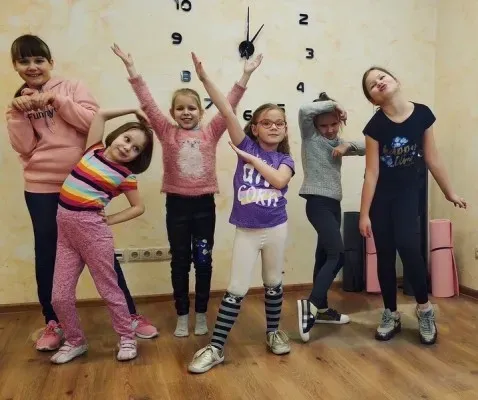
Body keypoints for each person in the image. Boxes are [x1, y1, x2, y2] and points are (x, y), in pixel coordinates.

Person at [5, 34, 157, 352]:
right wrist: (17, 113)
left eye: (39, 60)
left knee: (101, 254)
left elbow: (91, 122)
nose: (32, 66)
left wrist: (56, 101)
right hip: (42, 188)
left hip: (86, 184)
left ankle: (129, 315)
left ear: (50, 62)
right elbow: (24, 146)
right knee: (48, 254)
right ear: (15, 66)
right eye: (24, 61)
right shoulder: (17, 103)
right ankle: (55, 322)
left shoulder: (73, 88)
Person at [112, 43, 261, 337]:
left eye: (191, 108)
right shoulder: (166, 131)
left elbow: (227, 104)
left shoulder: (211, 131)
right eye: (180, 108)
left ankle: (201, 313)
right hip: (177, 207)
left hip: (204, 207)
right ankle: (182, 314)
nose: (186, 112)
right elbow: (147, 102)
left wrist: (245, 75)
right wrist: (131, 69)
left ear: (201, 112)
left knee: (203, 261)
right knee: (180, 262)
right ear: (172, 113)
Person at [187, 52, 293, 374]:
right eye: (266, 123)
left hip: (276, 229)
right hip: (247, 231)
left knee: (273, 282)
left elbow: (279, 181)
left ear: (285, 129)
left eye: (279, 123)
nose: (273, 127)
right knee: (236, 288)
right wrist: (207, 78)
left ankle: (273, 332)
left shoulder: (285, 160)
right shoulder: (245, 145)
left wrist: (252, 160)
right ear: (255, 128)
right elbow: (225, 109)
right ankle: (216, 348)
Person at [359, 66, 466, 344]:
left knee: (409, 247)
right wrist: (364, 214)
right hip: (381, 199)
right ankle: (390, 313)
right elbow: (371, 173)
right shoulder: (374, 127)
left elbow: (432, 158)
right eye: (372, 84)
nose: (379, 82)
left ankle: (424, 309)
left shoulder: (422, 114)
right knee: (384, 255)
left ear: (396, 79)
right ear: (372, 99)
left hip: (408, 195)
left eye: (382, 77)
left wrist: (449, 192)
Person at [50, 107, 154, 364]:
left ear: (138, 157)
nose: (127, 147)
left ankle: (127, 338)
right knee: (59, 296)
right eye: (127, 139)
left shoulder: (125, 176)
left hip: (93, 235)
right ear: (116, 135)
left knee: (110, 290)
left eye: (136, 148)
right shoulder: (92, 150)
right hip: (66, 235)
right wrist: (133, 110)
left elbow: (139, 207)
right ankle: (75, 341)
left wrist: (109, 219)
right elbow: (100, 116)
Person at [296, 92, 365, 342]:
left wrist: (348, 146)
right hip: (317, 203)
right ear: (315, 126)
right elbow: (304, 110)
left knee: (324, 255)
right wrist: (336, 104)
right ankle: (312, 304)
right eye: (323, 125)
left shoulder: (337, 143)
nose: (329, 130)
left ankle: (323, 309)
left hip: (333, 205)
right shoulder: (311, 138)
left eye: (334, 124)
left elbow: (369, 146)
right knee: (338, 254)